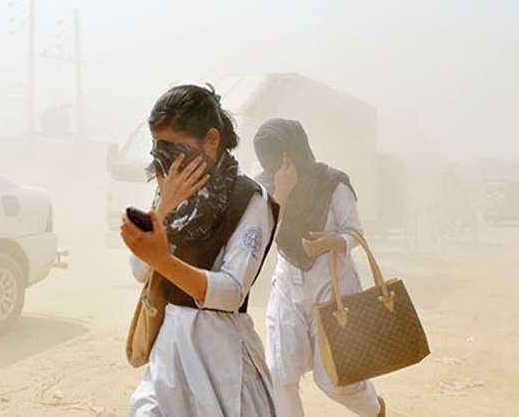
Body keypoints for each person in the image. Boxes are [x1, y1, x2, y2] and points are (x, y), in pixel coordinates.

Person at [121, 84, 280, 417]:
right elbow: (140, 271)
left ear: (211, 140)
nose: (168, 164)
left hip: (222, 358)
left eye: (176, 150)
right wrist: (164, 209)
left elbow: (231, 293)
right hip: (170, 352)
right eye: (160, 151)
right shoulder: (169, 194)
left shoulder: (250, 200)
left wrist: (163, 260)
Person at [253, 118, 386, 417]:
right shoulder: (264, 189)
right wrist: (282, 195)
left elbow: (355, 233)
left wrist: (332, 242)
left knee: (334, 380)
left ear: (294, 153)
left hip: (333, 288)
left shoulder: (332, 184)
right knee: (279, 373)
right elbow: (262, 236)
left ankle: (374, 409)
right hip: (287, 286)